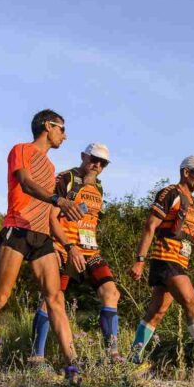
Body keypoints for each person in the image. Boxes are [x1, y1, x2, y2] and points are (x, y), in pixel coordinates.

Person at [0, 109, 84, 382]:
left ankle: (73, 367)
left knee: (56, 299)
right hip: (18, 229)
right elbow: (26, 183)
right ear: (47, 126)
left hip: (42, 236)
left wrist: (67, 243)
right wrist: (58, 200)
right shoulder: (21, 150)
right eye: (62, 129)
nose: (65, 137)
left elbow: (51, 210)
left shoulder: (52, 168)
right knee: (0, 298)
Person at [30, 143, 125, 366]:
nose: (97, 165)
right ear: (83, 156)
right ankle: (36, 357)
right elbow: (51, 218)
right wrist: (69, 246)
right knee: (52, 298)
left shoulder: (98, 188)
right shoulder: (66, 179)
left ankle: (112, 355)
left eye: (103, 163)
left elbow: (91, 221)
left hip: (90, 250)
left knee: (111, 293)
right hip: (62, 247)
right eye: (93, 159)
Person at [128, 156, 194, 372]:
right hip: (166, 258)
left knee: (157, 311)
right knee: (192, 303)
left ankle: (133, 358)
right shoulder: (170, 193)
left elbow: (193, 236)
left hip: (181, 261)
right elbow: (150, 225)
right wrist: (140, 260)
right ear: (186, 172)